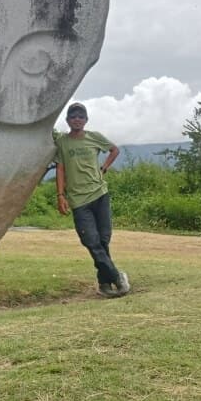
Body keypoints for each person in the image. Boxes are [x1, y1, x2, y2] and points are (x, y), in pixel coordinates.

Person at [53, 103, 131, 297]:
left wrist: (104, 168)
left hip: (99, 194)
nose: (77, 119)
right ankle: (117, 277)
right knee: (90, 240)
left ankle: (104, 284)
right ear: (67, 120)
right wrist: (60, 195)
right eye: (73, 116)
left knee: (103, 240)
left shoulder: (94, 137)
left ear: (86, 120)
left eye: (81, 116)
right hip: (78, 200)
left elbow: (114, 150)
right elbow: (60, 169)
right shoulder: (62, 142)